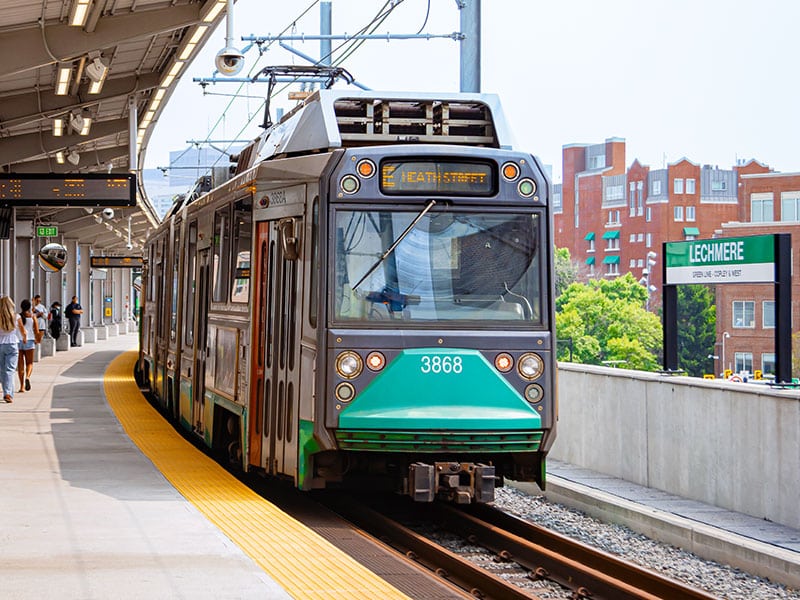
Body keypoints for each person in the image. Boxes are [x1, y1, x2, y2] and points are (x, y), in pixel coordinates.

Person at [0, 296, 21, 403]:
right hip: (12, 344)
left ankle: (6, 391)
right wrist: (25, 339)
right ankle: (8, 393)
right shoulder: (16, 317)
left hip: (0, 344)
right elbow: (22, 331)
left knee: (2, 370)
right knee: (10, 370)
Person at [17, 299, 40, 393]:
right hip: (30, 340)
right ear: (30, 307)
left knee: (20, 364)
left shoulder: (18, 316)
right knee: (29, 363)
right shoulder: (33, 317)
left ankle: (22, 386)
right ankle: (28, 377)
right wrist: (37, 339)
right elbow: (37, 331)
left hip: (18, 340)